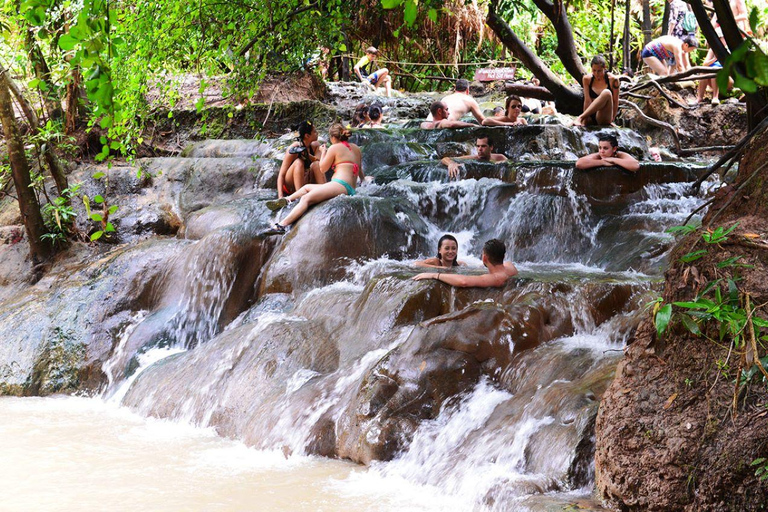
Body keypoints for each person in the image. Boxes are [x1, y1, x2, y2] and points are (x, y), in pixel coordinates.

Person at [264, 124, 364, 234]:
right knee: (306, 188)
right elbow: (360, 172)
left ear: (333, 137)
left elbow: (322, 168)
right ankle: (287, 200)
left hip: (340, 185)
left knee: (306, 199)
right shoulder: (356, 148)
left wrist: (324, 152)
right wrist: (364, 181)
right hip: (347, 187)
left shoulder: (334, 148)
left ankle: (282, 225)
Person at [412, 239, 518, 288]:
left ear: (484, 258)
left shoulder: (495, 278)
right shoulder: (510, 266)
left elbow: (463, 281)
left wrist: (435, 275)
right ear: (503, 256)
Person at [276, 121, 324, 199]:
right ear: (307, 135)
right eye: (314, 132)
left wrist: (310, 156)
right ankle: (299, 196)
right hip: (291, 184)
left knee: (316, 164)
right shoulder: (293, 149)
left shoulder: (316, 146)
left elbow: (321, 165)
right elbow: (281, 175)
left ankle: (324, 191)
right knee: (299, 162)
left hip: (307, 180)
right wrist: (280, 196)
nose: (317, 133)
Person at [574, 56, 620, 127]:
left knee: (606, 93)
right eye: (594, 70)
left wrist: (612, 119)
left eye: (599, 71)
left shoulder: (613, 80)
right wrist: (585, 121)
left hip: (603, 116)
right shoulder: (586, 79)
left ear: (605, 68)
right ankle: (582, 118)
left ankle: (580, 117)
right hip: (591, 114)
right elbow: (587, 100)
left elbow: (615, 101)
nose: (596, 74)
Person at [441, 136, 508, 179]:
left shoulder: (500, 157)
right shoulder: (473, 158)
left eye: (483, 146)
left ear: (491, 147)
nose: (480, 149)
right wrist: (451, 164)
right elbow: (445, 159)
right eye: (478, 146)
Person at [575, 134, 640, 173]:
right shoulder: (598, 155)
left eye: (605, 148)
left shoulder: (620, 155)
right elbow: (579, 163)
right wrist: (603, 162)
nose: (601, 151)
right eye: (600, 148)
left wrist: (613, 160)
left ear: (614, 149)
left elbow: (635, 165)